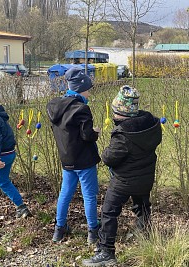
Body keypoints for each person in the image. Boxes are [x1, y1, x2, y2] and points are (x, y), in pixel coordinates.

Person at [82, 85, 162, 266]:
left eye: (115, 112)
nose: (113, 115)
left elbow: (109, 158)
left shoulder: (123, 134)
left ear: (121, 112)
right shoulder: (150, 126)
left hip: (124, 181)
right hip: (146, 177)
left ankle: (106, 252)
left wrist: (104, 151)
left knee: (109, 212)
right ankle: (146, 237)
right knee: (142, 206)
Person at [46, 66, 101, 244]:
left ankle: (59, 229)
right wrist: (96, 132)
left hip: (66, 159)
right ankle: (93, 231)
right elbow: (86, 135)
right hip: (84, 161)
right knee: (89, 195)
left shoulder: (54, 107)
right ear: (80, 89)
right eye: (88, 90)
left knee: (65, 194)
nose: (89, 94)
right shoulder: (82, 109)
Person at [0, 105, 32, 218]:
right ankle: (21, 208)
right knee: (4, 182)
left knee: (4, 182)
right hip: (9, 154)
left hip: (0, 155)